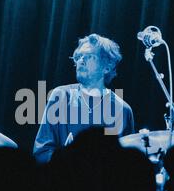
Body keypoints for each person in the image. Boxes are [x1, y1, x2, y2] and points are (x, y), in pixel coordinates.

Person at [33, 34, 134, 164]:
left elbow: (128, 163)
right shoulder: (61, 96)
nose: (80, 61)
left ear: (107, 67)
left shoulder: (123, 110)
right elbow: (41, 152)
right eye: (78, 56)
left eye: (89, 56)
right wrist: (65, 158)